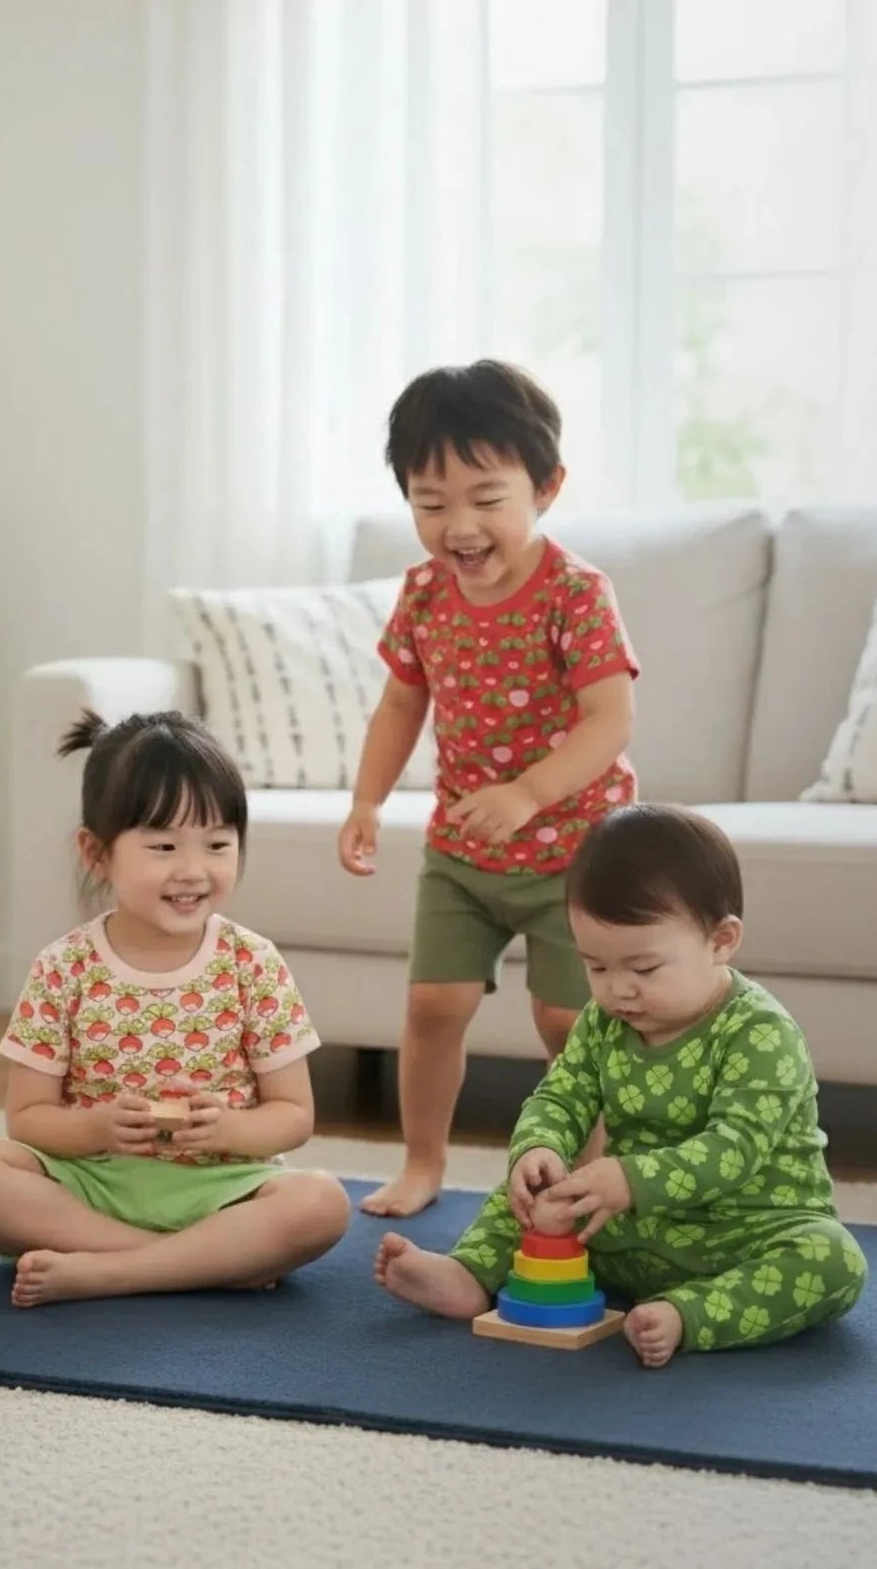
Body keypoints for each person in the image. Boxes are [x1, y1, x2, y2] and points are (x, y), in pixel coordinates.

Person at [374, 804, 867, 1367]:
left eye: (645, 969)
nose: (618, 991)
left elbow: (737, 1149)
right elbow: (561, 1096)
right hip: (626, 1226)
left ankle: (689, 1314)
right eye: (597, 967)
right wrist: (538, 1150)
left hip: (744, 1233)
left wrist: (631, 1178)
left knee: (833, 1260)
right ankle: (468, 1273)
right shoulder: (603, 1022)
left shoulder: (761, 1032)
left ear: (722, 940)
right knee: (533, 1196)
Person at [340, 359, 640, 1218]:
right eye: (431, 504)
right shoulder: (425, 593)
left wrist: (528, 793)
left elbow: (609, 723)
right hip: (462, 851)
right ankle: (423, 1162)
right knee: (435, 1004)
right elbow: (402, 699)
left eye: (485, 498)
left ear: (545, 488)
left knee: (565, 1027)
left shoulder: (577, 594)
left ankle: (588, 1181)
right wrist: (367, 800)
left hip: (576, 853)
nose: (458, 526)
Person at [0, 711, 350, 1306]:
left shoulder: (252, 962)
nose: (193, 871)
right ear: (96, 854)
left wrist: (228, 1127)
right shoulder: (63, 966)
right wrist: (98, 1128)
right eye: (164, 847)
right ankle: (188, 1263)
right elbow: (27, 1119)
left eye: (219, 844)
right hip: (91, 1186)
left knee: (321, 1202)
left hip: (220, 1189)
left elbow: (293, 1115)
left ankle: (112, 1272)